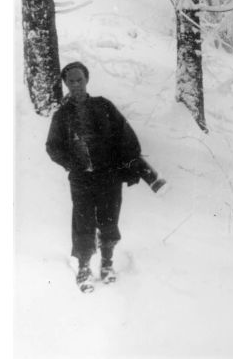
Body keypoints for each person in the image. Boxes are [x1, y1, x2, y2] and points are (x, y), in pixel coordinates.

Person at [46, 61, 166, 293]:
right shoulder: (62, 115)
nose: (76, 84)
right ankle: (83, 268)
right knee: (83, 223)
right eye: (71, 81)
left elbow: (126, 136)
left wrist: (137, 168)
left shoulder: (103, 106)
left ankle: (107, 264)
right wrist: (72, 164)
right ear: (66, 84)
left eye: (79, 79)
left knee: (109, 220)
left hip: (108, 176)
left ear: (87, 80)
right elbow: (52, 147)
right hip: (81, 180)